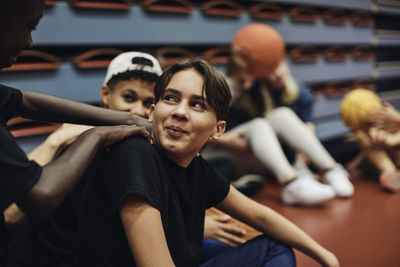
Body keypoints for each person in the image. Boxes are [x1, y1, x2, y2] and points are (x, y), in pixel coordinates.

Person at [75, 59, 339, 266]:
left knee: (248, 247)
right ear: (153, 113)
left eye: (197, 105)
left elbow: (262, 217)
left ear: (218, 129)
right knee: (270, 250)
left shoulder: (195, 167)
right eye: (171, 98)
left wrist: (324, 254)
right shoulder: (134, 153)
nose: (179, 112)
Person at [10, 52, 245, 267]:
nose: (138, 112)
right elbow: (10, 215)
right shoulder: (86, 145)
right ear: (105, 95)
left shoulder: (147, 146)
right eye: (129, 98)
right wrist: (54, 142)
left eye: (147, 102)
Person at [0, 0, 151, 265]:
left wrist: (128, 119)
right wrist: (95, 134)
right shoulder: (78, 152)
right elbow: (37, 198)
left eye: (149, 103)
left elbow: (28, 102)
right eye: (27, 27)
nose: (30, 41)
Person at [203, 25, 354, 206]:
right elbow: (200, 128)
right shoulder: (221, 85)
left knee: (281, 114)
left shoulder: (262, 84)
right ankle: (292, 183)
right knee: (258, 124)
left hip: (251, 158)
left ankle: (331, 169)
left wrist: (271, 82)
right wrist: (226, 139)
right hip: (219, 154)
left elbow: (290, 102)